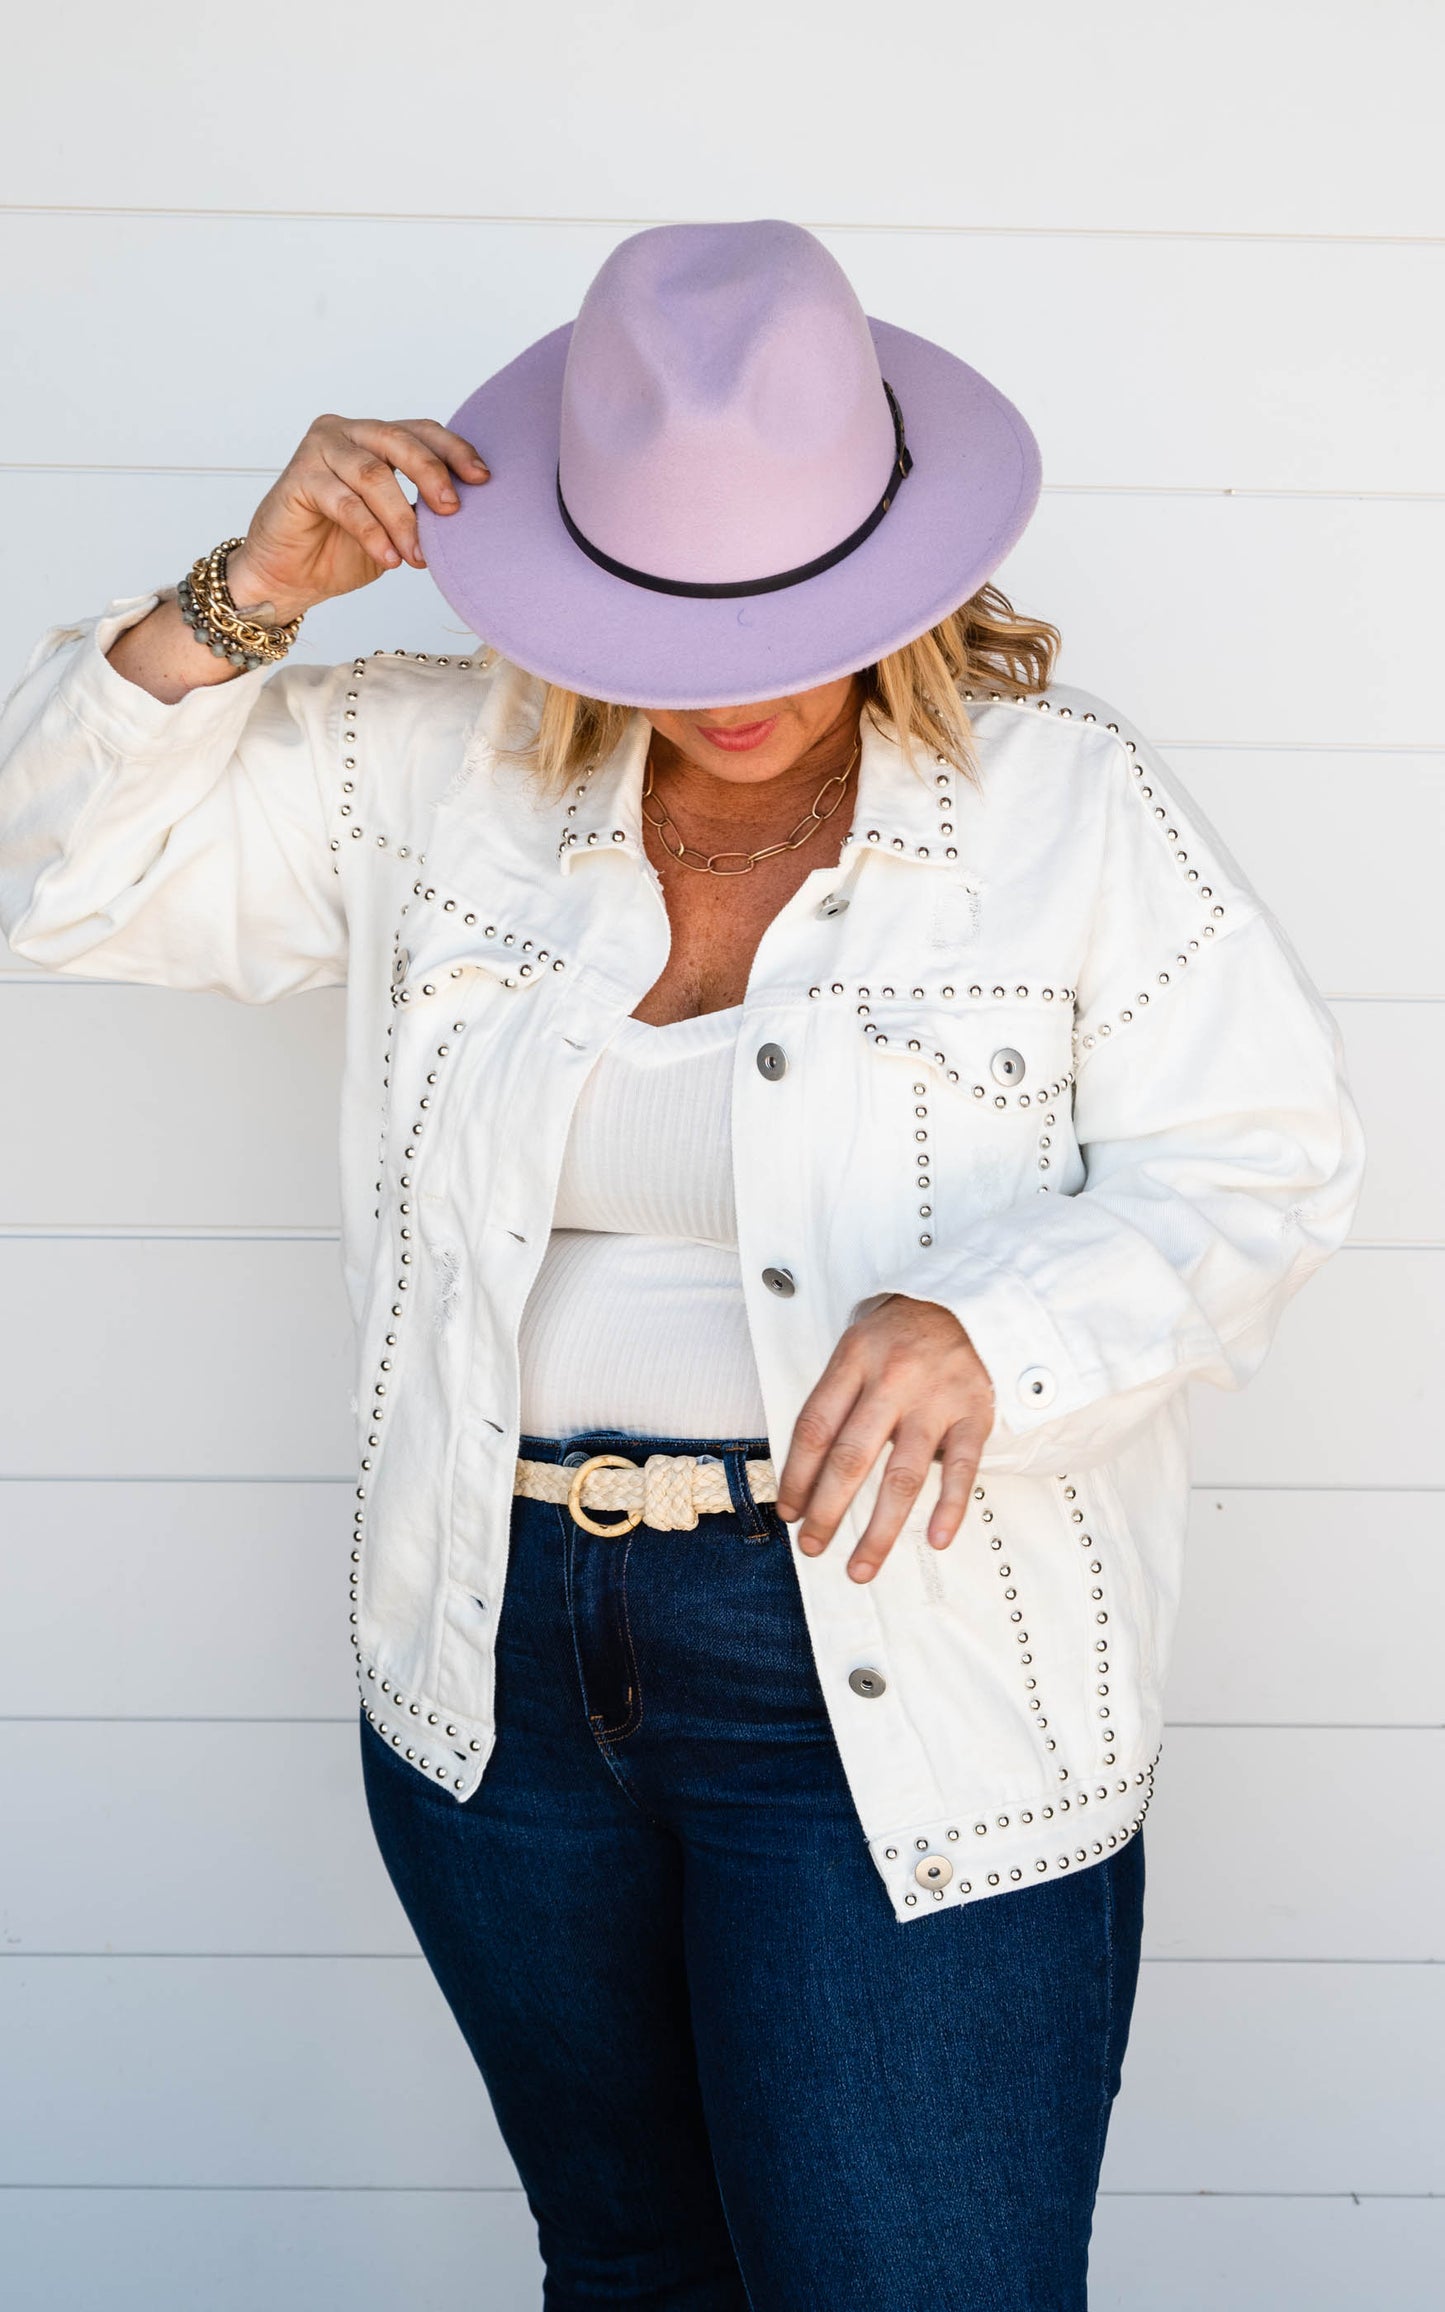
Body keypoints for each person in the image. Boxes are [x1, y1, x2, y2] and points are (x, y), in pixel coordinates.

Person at [0, 219, 1364, 2309]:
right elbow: (56, 878)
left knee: (912, 2278)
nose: (734, 684)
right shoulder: (438, 771)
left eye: (791, 613)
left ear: (903, 565)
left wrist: (996, 1326)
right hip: (505, 1656)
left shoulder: (1062, 809)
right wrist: (247, 592)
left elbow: (1261, 1166)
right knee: (636, 2267)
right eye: (665, 613)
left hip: (896, 1664)